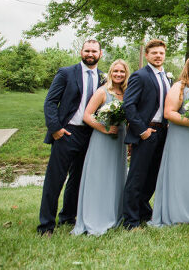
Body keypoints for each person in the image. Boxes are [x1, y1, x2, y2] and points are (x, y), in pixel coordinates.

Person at [38, 39, 103, 236]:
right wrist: (56, 128)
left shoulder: (103, 78)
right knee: (55, 180)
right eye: (87, 50)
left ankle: (67, 216)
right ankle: (46, 225)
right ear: (81, 52)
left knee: (78, 179)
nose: (90, 54)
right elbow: (50, 102)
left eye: (94, 51)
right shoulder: (66, 73)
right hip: (66, 132)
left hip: (89, 134)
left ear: (100, 54)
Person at [150, 55, 189, 226]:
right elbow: (169, 112)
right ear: (187, 67)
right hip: (182, 136)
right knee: (181, 172)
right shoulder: (180, 86)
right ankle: (178, 211)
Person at [72, 59, 128, 236]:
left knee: (116, 175)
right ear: (110, 73)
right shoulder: (102, 92)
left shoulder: (126, 93)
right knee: (100, 176)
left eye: (122, 72)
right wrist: (104, 129)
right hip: (102, 139)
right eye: (115, 71)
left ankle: (115, 213)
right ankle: (95, 216)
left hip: (119, 139)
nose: (118, 74)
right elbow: (87, 115)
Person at [122, 39, 171, 230]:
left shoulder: (166, 77)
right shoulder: (140, 75)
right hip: (146, 131)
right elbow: (129, 105)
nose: (158, 56)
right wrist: (142, 130)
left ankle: (143, 212)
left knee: (152, 176)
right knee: (137, 177)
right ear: (147, 55)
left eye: (161, 53)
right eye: (154, 53)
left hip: (162, 132)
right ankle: (130, 220)